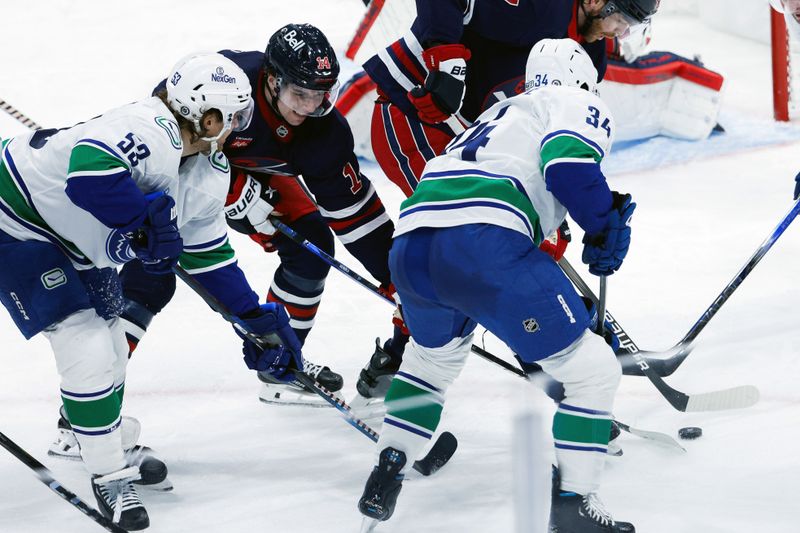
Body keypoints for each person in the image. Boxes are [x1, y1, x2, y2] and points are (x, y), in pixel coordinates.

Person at [0, 52, 304, 530]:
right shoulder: (150, 125)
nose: (240, 127)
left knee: (111, 343)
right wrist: (140, 219)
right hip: (15, 219)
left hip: (70, 244)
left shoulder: (208, 168)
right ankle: (108, 476)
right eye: (236, 115)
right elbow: (88, 172)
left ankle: (97, 437)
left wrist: (253, 318)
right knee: (89, 346)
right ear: (208, 116)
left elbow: (207, 256)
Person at [357, 39, 637, 532]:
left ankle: (390, 464)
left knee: (430, 362)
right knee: (592, 371)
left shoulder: (500, 112)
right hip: (484, 241)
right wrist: (604, 221)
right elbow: (567, 166)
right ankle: (573, 508)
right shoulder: (575, 101)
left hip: (412, 246)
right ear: (583, 81)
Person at [355, 0, 658, 400]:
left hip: (472, 132)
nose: (622, 33)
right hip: (416, 114)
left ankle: (559, 357)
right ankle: (405, 358)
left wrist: (591, 204)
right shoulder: (540, 8)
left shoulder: (591, 54)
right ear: (596, 1)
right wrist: (445, 57)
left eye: (633, 25)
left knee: (531, 240)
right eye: (623, 19)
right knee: (465, 242)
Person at [117, 23, 401, 406]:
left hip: (250, 178)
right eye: (298, 93)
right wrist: (231, 189)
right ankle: (86, 410)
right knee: (150, 278)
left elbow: (355, 214)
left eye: (320, 95)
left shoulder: (325, 133)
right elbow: (167, 113)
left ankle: (280, 366)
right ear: (270, 80)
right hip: (181, 173)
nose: (308, 107)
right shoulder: (228, 82)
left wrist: (395, 276)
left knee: (312, 246)